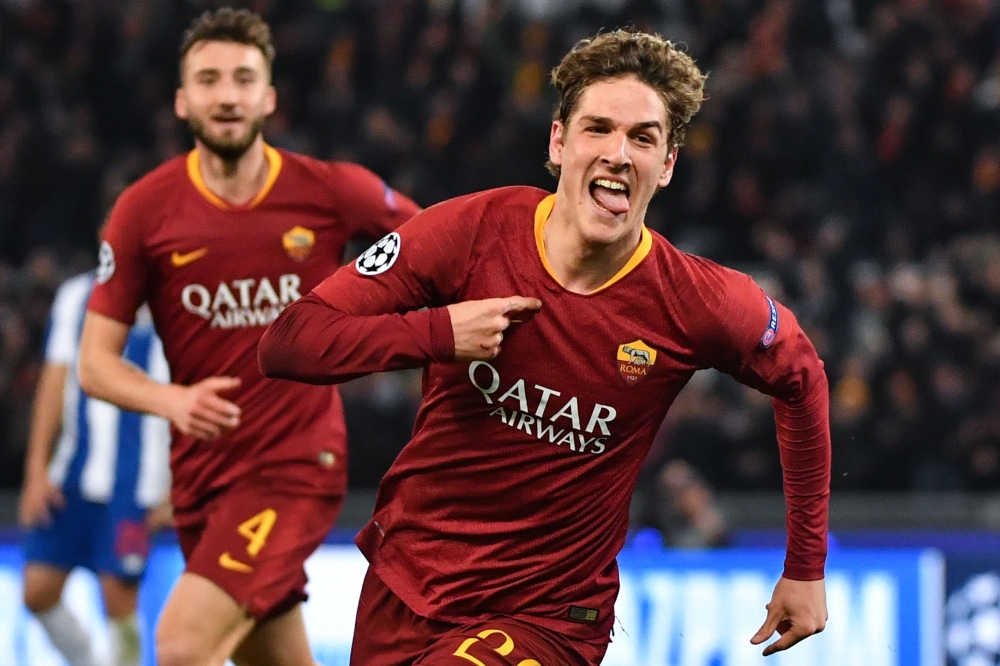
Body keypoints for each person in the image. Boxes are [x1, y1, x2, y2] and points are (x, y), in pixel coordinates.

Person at [260, 29, 831, 664]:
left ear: (666, 165)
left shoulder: (697, 301)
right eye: (598, 129)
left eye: (643, 138)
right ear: (558, 142)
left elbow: (802, 379)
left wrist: (805, 565)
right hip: (407, 582)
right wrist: (440, 335)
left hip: (550, 616)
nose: (618, 153)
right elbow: (290, 342)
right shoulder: (470, 232)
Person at [78, 8, 419, 666]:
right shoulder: (144, 210)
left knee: (181, 645)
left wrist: (408, 333)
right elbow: (95, 364)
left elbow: (437, 245)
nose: (227, 95)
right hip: (202, 477)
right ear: (183, 101)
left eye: (242, 78)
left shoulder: (328, 190)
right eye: (209, 79)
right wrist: (173, 402)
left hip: (294, 468)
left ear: (268, 96)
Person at [20, 271, 171, 666]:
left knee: (119, 604)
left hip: (136, 491)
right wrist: (36, 470)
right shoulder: (77, 296)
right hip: (70, 479)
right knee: (37, 592)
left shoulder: (176, 298)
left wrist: (176, 489)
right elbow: (54, 382)